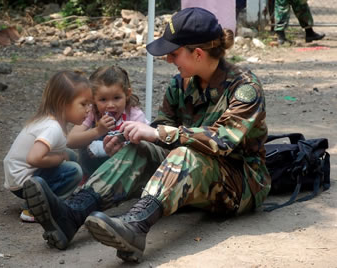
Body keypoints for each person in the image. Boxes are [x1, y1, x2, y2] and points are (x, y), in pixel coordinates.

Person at [23, 7, 271, 262]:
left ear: (197, 54)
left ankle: (136, 225)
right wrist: (131, 135)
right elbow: (163, 124)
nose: (168, 60)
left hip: (240, 184)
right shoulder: (182, 82)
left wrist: (157, 133)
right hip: (192, 177)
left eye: (174, 54)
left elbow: (222, 141)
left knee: (182, 153)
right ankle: (73, 213)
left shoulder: (244, 87)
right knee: (140, 146)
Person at [3, 70, 91, 222]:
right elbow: (34, 158)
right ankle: (36, 208)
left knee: (69, 155)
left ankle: (50, 196)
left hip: (19, 176)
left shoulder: (51, 121)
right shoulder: (52, 128)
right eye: (83, 104)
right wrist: (58, 159)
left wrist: (62, 156)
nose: (88, 109)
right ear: (63, 103)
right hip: (24, 182)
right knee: (74, 171)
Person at [67, 65, 149, 178]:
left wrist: (104, 149)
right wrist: (98, 130)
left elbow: (142, 148)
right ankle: (89, 177)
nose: (110, 105)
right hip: (95, 169)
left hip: (123, 171)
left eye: (116, 98)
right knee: (86, 140)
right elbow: (70, 141)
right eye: (103, 99)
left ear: (127, 94)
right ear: (93, 99)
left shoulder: (134, 115)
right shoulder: (92, 111)